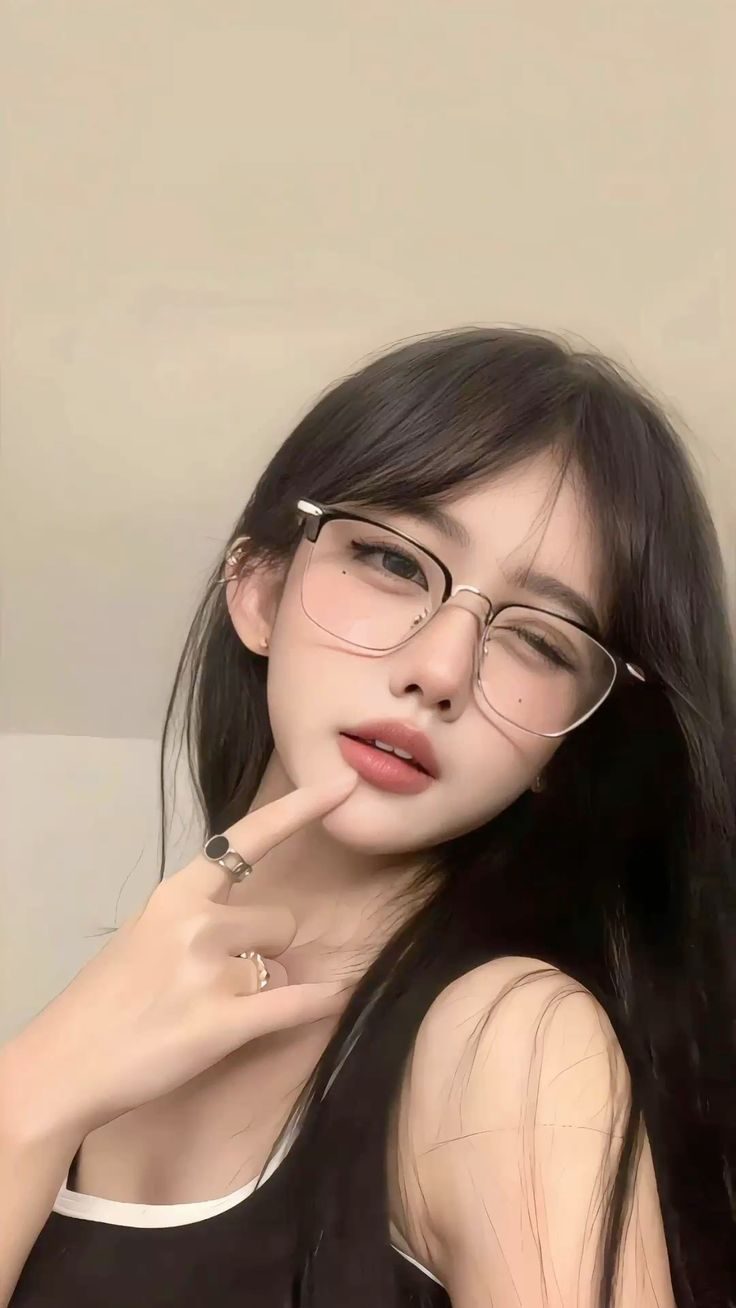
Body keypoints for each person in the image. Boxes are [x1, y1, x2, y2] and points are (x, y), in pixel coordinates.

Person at [1, 328, 734, 1308]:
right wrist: (32, 1097)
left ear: (570, 745)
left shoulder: (511, 1044)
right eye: (391, 560)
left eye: (541, 642)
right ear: (258, 588)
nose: (439, 670)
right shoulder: (97, 1033)